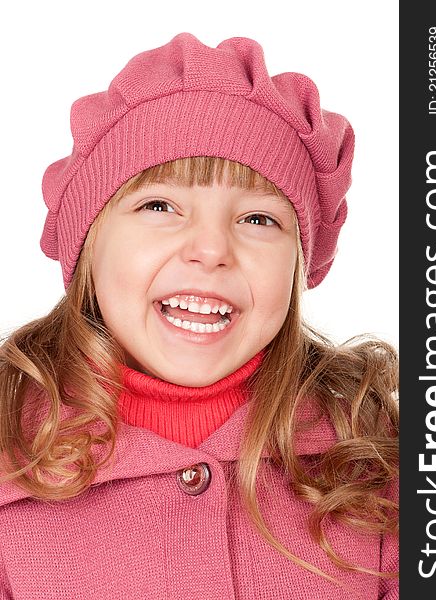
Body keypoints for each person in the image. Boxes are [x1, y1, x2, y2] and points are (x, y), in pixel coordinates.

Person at [0, 32, 398, 599]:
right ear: (86, 244)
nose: (210, 249)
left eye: (259, 219)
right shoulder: (11, 459)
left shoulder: (376, 466)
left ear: (298, 264)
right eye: (159, 206)